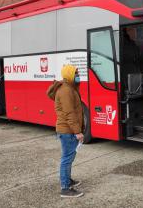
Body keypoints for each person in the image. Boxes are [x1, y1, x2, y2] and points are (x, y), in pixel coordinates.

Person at [50, 64, 85, 198]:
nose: (78, 76)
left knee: (69, 157)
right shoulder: (66, 90)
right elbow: (69, 113)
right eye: (76, 73)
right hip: (67, 131)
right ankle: (65, 188)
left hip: (67, 130)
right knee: (67, 158)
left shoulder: (69, 87)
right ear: (69, 74)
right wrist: (77, 131)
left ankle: (67, 180)